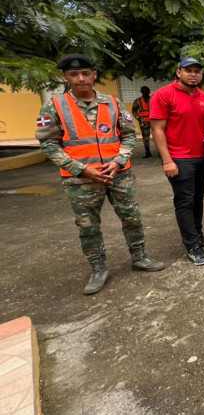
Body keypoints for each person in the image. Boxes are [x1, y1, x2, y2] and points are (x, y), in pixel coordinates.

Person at [37, 53, 164, 295]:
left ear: (95, 75)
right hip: (80, 179)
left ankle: (139, 257)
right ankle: (98, 269)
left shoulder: (113, 103)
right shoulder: (54, 106)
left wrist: (118, 161)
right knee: (88, 226)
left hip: (119, 174)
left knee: (132, 218)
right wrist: (81, 169)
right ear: (65, 77)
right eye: (74, 74)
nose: (81, 78)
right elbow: (48, 144)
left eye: (86, 73)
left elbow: (128, 135)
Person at [151, 57, 204, 266]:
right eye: (189, 70)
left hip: (202, 156)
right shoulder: (163, 95)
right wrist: (167, 160)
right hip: (180, 159)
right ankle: (192, 246)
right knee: (184, 201)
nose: (194, 74)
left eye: (197, 71)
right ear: (178, 72)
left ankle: (197, 235)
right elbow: (157, 129)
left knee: (198, 197)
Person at [131, 85, 152, 158]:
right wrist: (139, 118)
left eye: (146, 91)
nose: (145, 92)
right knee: (145, 138)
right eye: (144, 91)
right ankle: (148, 152)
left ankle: (160, 153)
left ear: (149, 91)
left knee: (158, 136)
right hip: (144, 121)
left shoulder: (153, 99)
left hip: (154, 121)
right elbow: (134, 111)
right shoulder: (138, 101)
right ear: (141, 92)